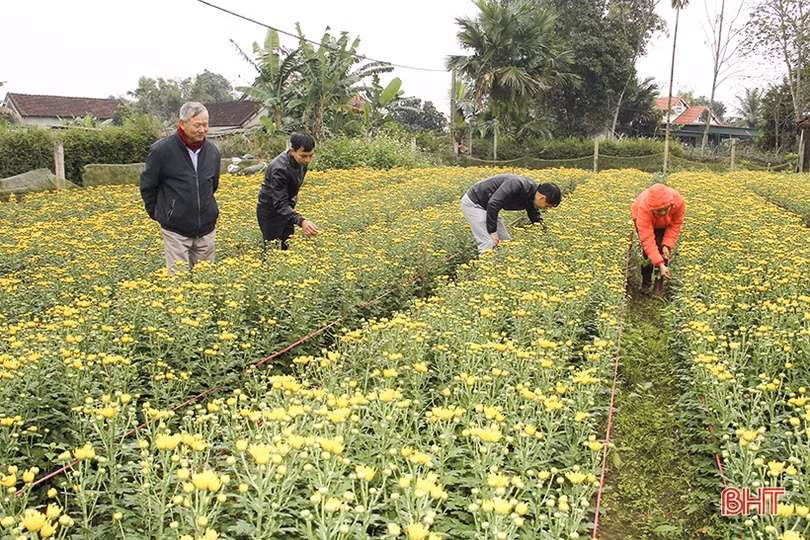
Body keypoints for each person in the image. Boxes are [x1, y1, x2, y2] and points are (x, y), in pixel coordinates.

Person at [140, 102, 221, 273]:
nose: (202, 130)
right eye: (197, 125)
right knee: (179, 284)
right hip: (176, 230)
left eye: (205, 124)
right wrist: (162, 214)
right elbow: (148, 186)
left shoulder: (213, 151)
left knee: (205, 281)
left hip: (206, 229)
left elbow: (212, 185)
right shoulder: (162, 151)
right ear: (182, 124)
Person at [460, 174, 561, 253]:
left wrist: (546, 235)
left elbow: (534, 215)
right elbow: (493, 203)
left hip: (488, 207)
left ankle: (501, 269)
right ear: (542, 198)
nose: (545, 209)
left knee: (506, 242)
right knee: (488, 242)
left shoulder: (532, 195)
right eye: (547, 206)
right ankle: (485, 273)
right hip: (474, 203)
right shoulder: (517, 184)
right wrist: (493, 231)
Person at [256, 132, 319, 251]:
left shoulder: (300, 162)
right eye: (304, 156)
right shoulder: (280, 169)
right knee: (272, 252)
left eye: (311, 155)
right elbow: (279, 203)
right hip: (271, 212)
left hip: (287, 210)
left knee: (286, 249)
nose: (308, 160)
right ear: (292, 151)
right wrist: (301, 221)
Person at [631, 182, 685, 292]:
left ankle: (658, 287)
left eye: (666, 209)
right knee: (648, 251)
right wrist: (659, 263)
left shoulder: (678, 202)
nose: (663, 213)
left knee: (663, 251)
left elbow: (675, 225)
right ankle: (646, 284)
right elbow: (647, 240)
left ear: (671, 204)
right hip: (643, 219)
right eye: (659, 211)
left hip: (665, 224)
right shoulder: (644, 209)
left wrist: (667, 245)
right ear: (652, 208)